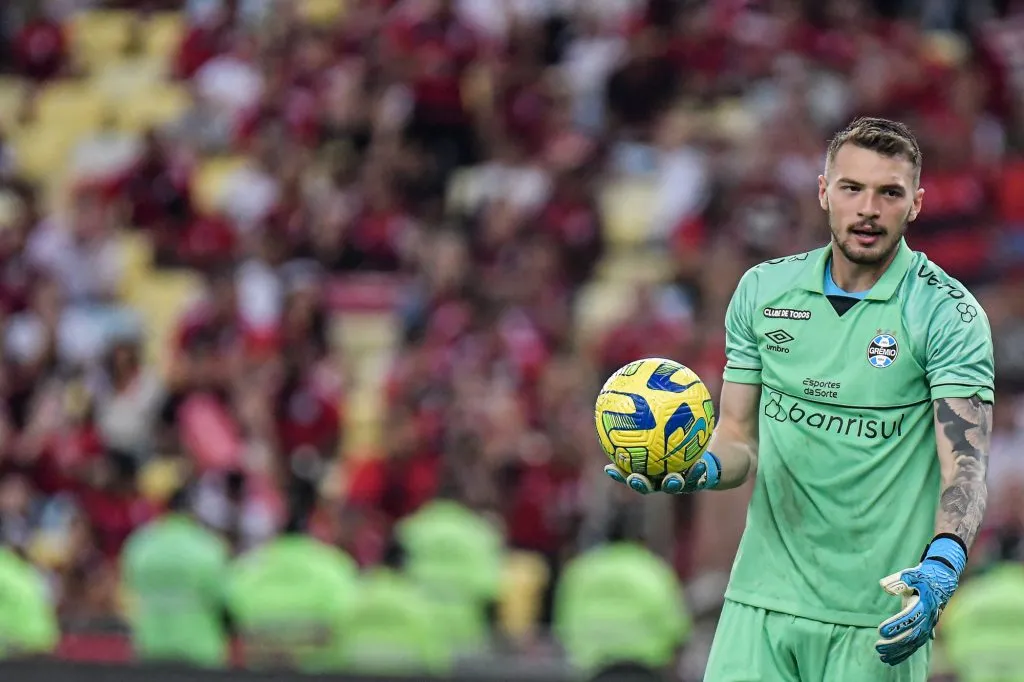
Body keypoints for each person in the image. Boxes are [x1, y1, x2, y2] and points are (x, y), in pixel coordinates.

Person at [604, 117, 995, 681]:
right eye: (851, 188)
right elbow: (737, 437)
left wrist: (944, 562)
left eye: (889, 193)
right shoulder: (762, 292)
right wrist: (698, 469)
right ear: (822, 191)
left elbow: (964, 463)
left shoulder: (947, 316)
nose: (868, 209)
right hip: (759, 602)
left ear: (915, 205)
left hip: (875, 619)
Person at [120, 484, 230, 667]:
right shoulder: (208, 548)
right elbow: (223, 598)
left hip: (151, 646)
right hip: (198, 650)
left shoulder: (140, 545)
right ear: (192, 512)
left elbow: (128, 593)